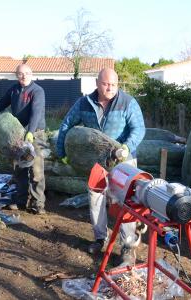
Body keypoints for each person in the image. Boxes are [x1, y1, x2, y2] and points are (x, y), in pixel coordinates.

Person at [56, 68, 145, 264]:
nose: (110, 88)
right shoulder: (84, 103)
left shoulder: (128, 103)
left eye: (114, 84)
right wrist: (61, 151)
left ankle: (128, 247)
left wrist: (125, 147)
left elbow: (139, 129)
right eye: (106, 84)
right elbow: (67, 124)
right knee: (95, 197)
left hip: (123, 161)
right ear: (97, 83)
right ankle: (99, 238)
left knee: (126, 202)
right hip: (97, 161)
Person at [0, 64, 47, 215]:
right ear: (16, 75)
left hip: (35, 133)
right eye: (20, 74)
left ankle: (37, 203)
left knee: (36, 169)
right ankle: (21, 201)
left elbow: (36, 112)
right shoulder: (14, 90)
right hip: (17, 135)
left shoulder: (37, 91)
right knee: (19, 169)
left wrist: (31, 131)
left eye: (26, 73)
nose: (24, 76)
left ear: (32, 74)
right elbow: (1, 104)